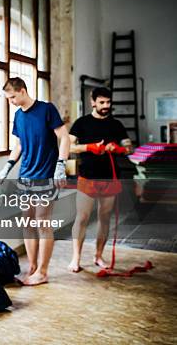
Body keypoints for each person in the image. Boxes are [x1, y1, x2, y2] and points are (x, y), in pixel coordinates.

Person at [0, 77, 70, 286]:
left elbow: (64, 137)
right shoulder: (18, 116)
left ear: (22, 91)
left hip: (45, 174)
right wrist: (7, 167)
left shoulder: (46, 109)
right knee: (27, 223)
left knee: (42, 222)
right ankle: (33, 267)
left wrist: (61, 165)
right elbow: (18, 146)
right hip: (25, 175)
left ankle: (43, 272)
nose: (10, 101)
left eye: (11, 97)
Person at [67, 87, 133, 273]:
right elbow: (70, 146)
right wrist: (90, 147)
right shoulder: (82, 123)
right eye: (102, 102)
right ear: (93, 102)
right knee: (82, 218)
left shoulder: (117, 125)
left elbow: (129, 148)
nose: (106, 106)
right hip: (87, 177)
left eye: (108, 102)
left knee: (104, 218)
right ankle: (75, 258)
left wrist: (119, 149)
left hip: (110, 178)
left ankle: (98, 256)